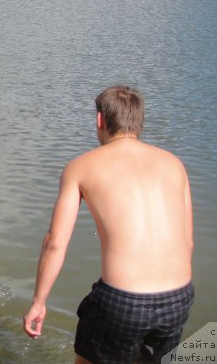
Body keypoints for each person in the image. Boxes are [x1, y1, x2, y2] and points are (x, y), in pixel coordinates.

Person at [23, 85, 194, 364]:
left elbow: (55, 242)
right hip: (178, 298)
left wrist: (38, 302)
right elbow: (188, 243)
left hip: (123, 302)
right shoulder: (175, 164)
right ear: (139, 121)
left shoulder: (81, 166)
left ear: (100, 119)